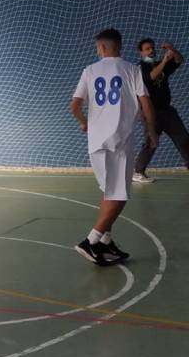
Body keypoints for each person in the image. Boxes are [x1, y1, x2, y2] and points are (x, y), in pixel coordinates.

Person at [71, 28, 157, 266]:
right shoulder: (132, 69)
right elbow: (146, 104)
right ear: (119, 46)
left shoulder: (89, 70)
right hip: (118, 141)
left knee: (110, 192)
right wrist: (151, 132)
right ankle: (91, 241)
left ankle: (105, 242)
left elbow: (75, 105)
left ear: (101, 47)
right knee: (119, 195)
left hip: (95, 143)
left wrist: (84, 123)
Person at [132, 38, 188, 183]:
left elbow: (180, 60)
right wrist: (164, 60)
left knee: (184, 139)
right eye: (147, 49)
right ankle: (138, 172)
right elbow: (151, 78)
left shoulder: (159, 64)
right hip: (151, 113)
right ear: (141, 53)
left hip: (168, 111)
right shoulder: (139, 68)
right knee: (151, 143)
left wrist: (172, 50)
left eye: (152, 48)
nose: (151, 50)